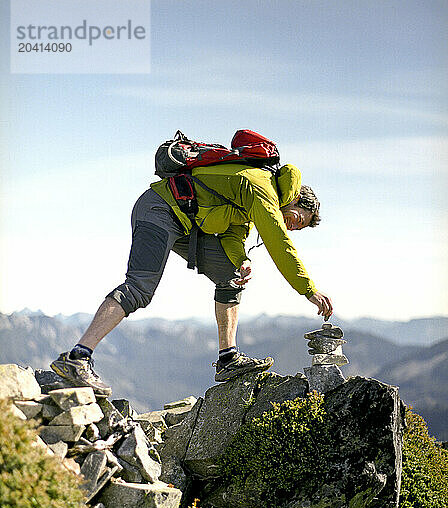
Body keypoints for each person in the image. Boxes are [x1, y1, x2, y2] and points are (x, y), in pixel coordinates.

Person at [50, 162, 333, 396]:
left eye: (298, 227)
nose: (292, 227)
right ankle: (77, 357)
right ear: (295, 199)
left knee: (230, 277)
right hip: (159, 208)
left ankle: (228, 359)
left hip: (188, 223)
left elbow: (234, 234)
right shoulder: (263, 188)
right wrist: (308, 290)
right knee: (139, 289)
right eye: (297, 219)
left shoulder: (260, 200)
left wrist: (241, 260)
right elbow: (279, 242)